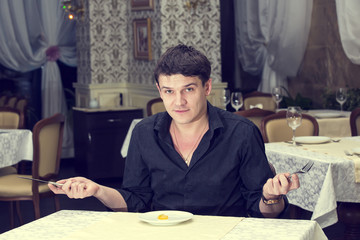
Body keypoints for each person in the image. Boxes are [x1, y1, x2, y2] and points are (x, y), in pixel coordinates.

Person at [49, 44, 299, 218]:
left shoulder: (242, 133)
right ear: (159, 90)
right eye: (169, 91)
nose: (178, 101)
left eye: (188, 89)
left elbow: (265, 210)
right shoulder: (144, 133)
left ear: (207, 87)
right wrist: (97, 190)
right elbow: (135, 202)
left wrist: (270, 197)